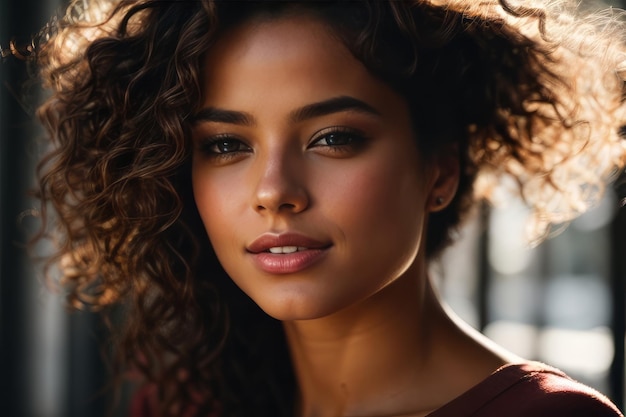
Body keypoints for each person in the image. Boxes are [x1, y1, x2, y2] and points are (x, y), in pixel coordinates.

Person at [25, 0, 626, 416]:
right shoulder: (186, 403)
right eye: (227, 145)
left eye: (334, 137)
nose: (274, 190)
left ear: (439, 169)